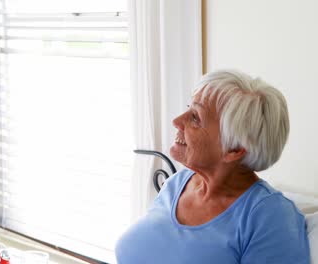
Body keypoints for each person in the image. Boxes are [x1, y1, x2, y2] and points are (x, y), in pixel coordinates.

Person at [116, 70, 310, 263]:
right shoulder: (176, 184)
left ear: (234, 149)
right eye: (188, 108)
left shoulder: (271, 218)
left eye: (195, 117)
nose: (176, 121)